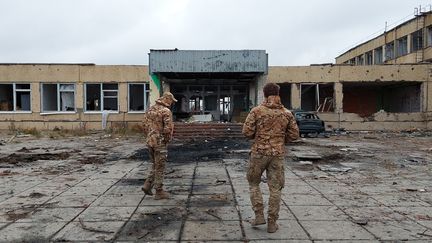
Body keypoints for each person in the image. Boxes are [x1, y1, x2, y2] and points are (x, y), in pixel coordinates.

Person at [242, 83, 299, 233]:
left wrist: (259, 137)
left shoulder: (256, 111)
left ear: (265, 94)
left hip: (259, 153)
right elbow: (294, 135)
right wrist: (280, 140)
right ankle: (272, 223)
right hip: (277, 155)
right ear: (278, 93)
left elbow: (247, 132)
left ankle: (259, 215)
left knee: (254, 184)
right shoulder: (287, 113)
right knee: (275, 189)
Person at [142, 91, 177, 200]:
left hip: (150, 141)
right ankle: (159, 191)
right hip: (160, 142)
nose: (171, 103)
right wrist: (166, 140)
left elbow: (144, 125)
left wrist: (149, 136)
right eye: (171, 101)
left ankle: (147, 185)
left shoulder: (150, 109)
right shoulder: (165, 111)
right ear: (167, 99)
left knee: (155, 164)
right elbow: (167, 129)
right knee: (160, 166)